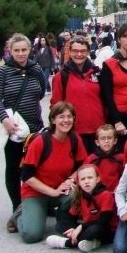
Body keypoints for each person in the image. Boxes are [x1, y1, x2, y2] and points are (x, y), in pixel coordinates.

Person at [0, 33, 47, 232]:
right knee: (13, 168)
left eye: (24, 50)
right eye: (17, 50)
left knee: (35, 167)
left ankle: (37, 202)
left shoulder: (36, 69)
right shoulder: (3, 72)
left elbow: (41, 92)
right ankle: (17, 207)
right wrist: (5, 119)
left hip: (34, 128)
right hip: (13, 129)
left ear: (30, 50)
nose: (21, 53)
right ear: (10, 51)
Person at [15, 102, 88, 243]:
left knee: (77, 192)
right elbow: (26, 176)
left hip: (60, 189)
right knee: (31, 236)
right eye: (61, 117)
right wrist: (52, 192)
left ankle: (63, 220)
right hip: (36, 192)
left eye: (69, 116)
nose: (66, 120)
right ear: (53, 120)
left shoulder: (74, 139)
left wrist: (70, 180)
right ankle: (19, 214)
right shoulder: (40, 141)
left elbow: (82, 166)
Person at [51, 36, 106, 153]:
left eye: (83, 51)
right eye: (75, 51)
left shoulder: (97, 73)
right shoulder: (61, 77)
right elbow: (56, 105)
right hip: (74, 131)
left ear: (88, 52)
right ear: (70, 52)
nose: (79, 54)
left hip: (98, 130)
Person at [44, 163, 115, 252]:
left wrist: (81, 227)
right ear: (79, 183)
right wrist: (73, 228)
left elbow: (104, 221)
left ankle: (67, 243)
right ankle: (91, 242)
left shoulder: (105, 195)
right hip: (86, 226)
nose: (86, 181)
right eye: (83, 179)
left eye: (90, 178)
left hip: (105, 229)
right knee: (60, 225)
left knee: (94, 230)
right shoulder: (81, 195)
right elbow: (71, 215)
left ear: (98, 179)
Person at [84, 124, 124, 192]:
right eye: (103, 138)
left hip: (116, 193)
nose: (106, 141)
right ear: (97, 142)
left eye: (109, 138)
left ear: (115, 141)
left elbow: (125, 177)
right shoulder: (91, 159)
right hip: (96, 194)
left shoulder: (121, 158)